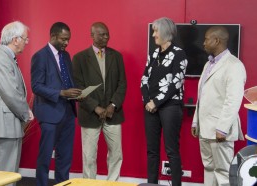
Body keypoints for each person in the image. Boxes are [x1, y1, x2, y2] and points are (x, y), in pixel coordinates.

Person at [191, 26, 246, 186]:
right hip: (205, 129)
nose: (203, 43)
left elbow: (233, 100)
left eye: (207, 39)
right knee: (208, 168)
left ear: (217, 40)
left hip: (220, 131)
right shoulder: (208, 64)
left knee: (223, 172)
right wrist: (196, 121)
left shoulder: (234, 65)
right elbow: (202, 96)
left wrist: (222, 128)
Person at [72, 22, 127, 181]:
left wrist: (113, 105)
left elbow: (122, 83)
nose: (105, 37)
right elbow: (78, 88)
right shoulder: (79, 58)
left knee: (116, 154)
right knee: (89, 157)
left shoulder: (116, 56)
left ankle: (113, 184)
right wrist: (95, 108)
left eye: (107, 34)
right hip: (90, 114)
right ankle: (89, 184)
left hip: (113, 114)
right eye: (101, 34)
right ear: (92, 35)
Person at [0, 21, 34, 177]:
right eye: (25, 39)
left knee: (7, 174)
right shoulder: (1, 59)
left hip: (6, 126)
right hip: (2, 127)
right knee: (2, 175)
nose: (26, 42)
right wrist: (26, 113)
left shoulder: (5, 57)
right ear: (15, 39)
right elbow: (11, 93)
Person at [31, 22, 82, 186]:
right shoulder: (40, 56)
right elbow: (36, 86)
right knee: (45, 156)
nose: (66, 43)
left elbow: (67, 82)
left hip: (68, 112)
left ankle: (62, 184)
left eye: (68, 39)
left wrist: (76, 94)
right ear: (53, 36)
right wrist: (60, 93)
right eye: (63, 39)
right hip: (49, 114)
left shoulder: (66, 56)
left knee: (65, 156)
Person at [140, 17, 188, 186]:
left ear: (166, 32)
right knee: (152, 151)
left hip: (170, 106)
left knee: (171, 150)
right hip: (150, 107)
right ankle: (152, 184)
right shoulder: (153, 54)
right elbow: (144, 79)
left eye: (156, 31)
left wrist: (156, 102)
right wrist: (147, 101)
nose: (153, 35)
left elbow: (176, 83)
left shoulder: (179, 53)